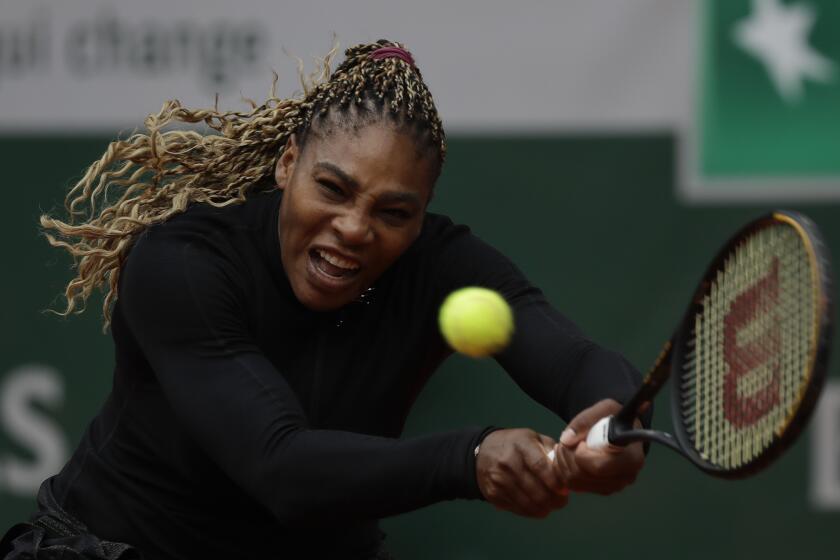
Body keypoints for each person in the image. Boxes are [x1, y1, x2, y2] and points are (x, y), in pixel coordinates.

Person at [1, 40, 647, 559]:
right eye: (333, 188)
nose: (355, 227)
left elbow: (571, 356)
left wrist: (614, 421)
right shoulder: (182, 262)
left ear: (422, 218)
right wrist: (471, 458)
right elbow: (280, 467)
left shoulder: (439, 266)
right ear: (288, 164)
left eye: (394, 211)